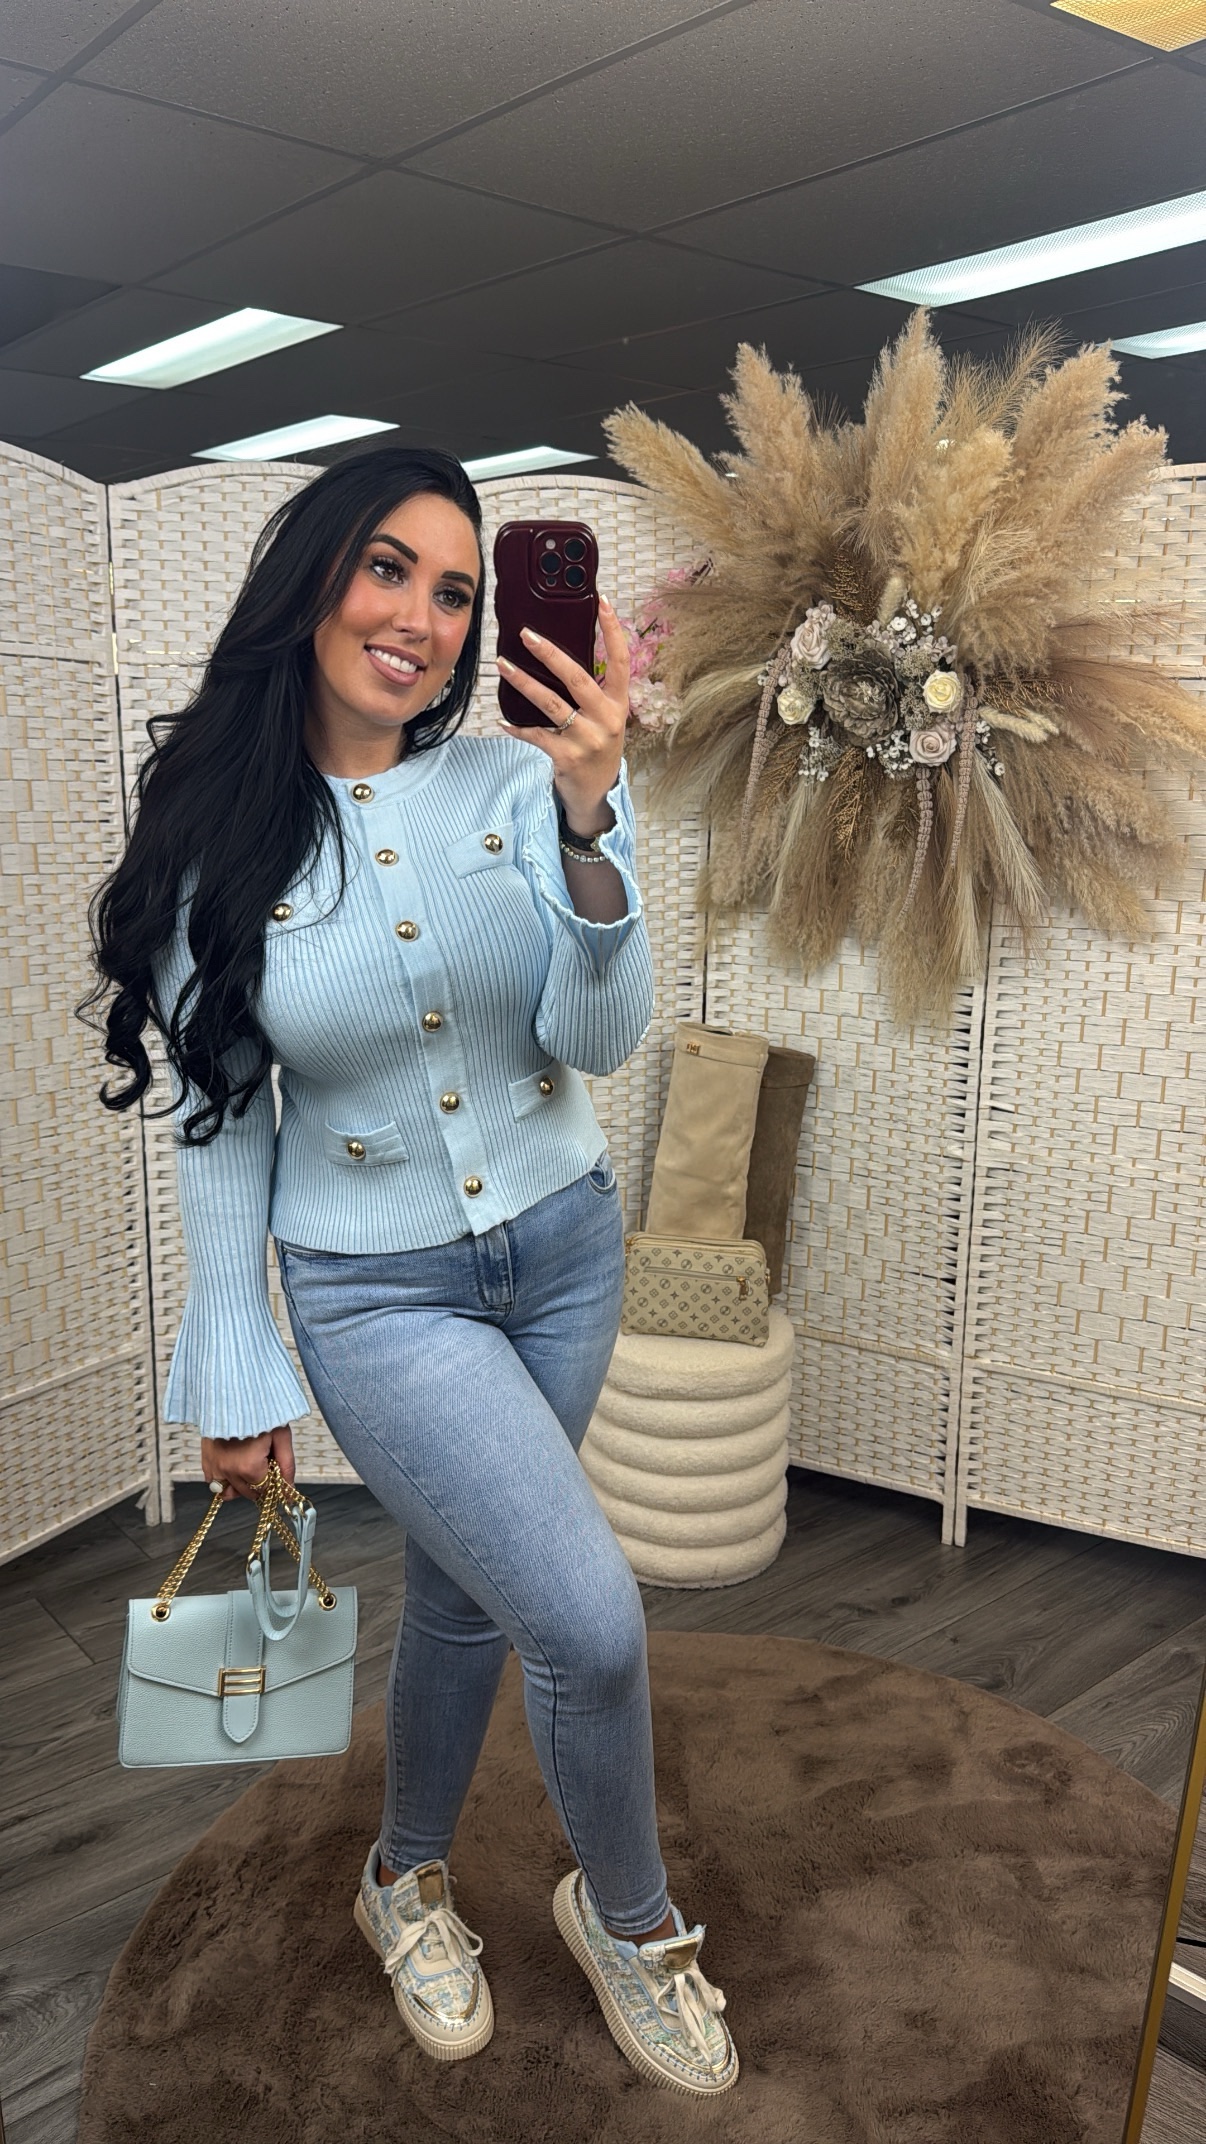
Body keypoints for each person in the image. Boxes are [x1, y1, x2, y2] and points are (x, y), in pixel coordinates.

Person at [89, 446, 738, 2097]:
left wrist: (589, 823)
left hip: (566, 1251)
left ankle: (403, 1878)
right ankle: (635, 1921)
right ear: (312, 579)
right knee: (587, 1625)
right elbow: (222, 1123)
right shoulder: (214, 844)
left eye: (457, 591)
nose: (423, 618)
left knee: (465, 1594)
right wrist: (233, 1363)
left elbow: (598, 1036)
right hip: (377, 1296)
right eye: (388, 568)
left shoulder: (521, 783)